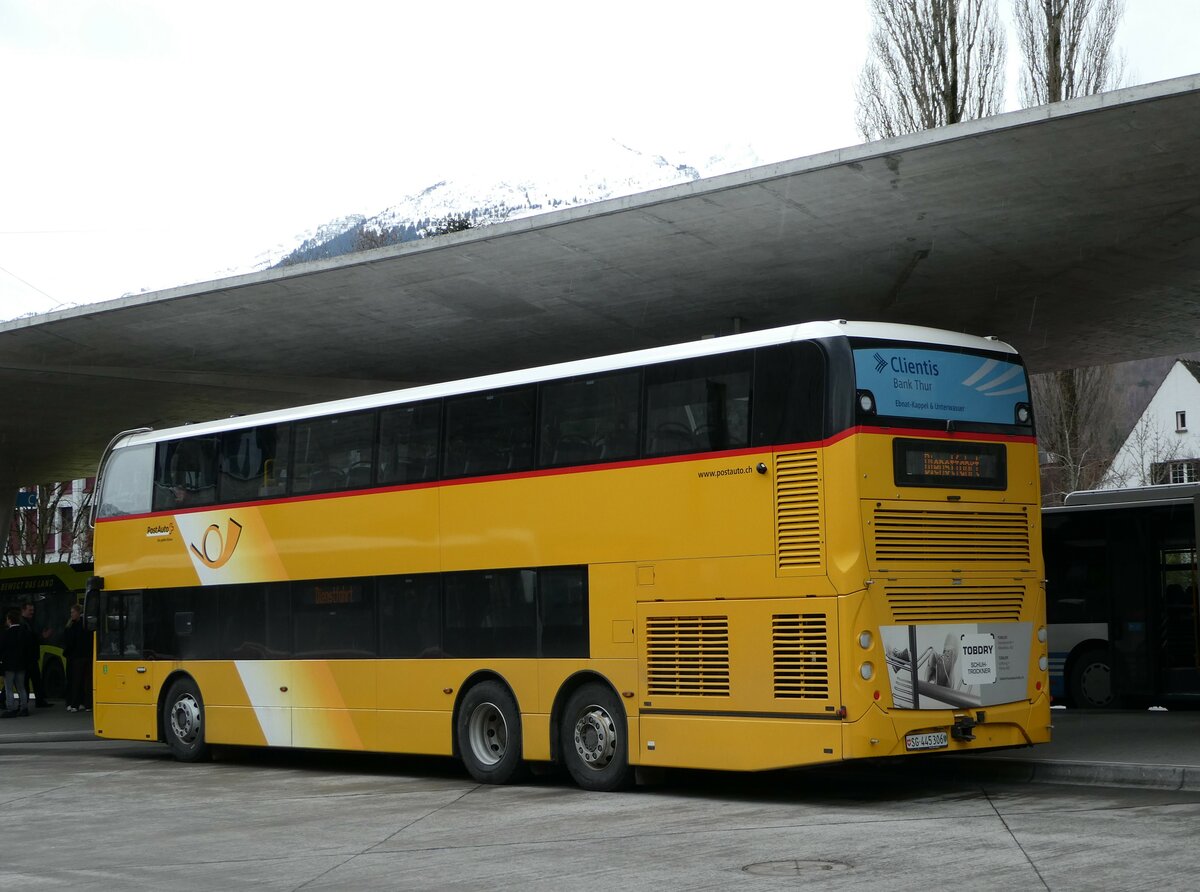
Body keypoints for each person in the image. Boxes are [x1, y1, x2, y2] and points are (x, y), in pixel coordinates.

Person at [20, 600, 53, 707]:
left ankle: (39, 701)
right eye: (30, 610)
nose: (32, 612)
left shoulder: (30, 622)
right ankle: (25, 703)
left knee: (36, 680)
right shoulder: (22, 623)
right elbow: (28, 640)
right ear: (23, 610)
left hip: (32, 657)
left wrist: (41, 637)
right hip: (25, 658)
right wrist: (41, 637)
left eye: (33, 610)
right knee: (26, 681)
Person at [2, 607, 31, 717]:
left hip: (9, 664)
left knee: (9, 688)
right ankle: (24, 708)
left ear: (9, 620)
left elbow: (2, 649)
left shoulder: (6, 634)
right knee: (21, 687)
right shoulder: (25, 632)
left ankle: (11, 709)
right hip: (21, 664)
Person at [63, 604, 88, 712]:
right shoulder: (80, 625)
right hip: (77, 656)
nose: (71, 614)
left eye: (73, 612)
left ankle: (74, 702)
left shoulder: (73, 626)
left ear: (78, 613)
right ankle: (77, 702)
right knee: (77, 680)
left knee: (75, 680)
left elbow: (69, 641)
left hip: (75, 656)